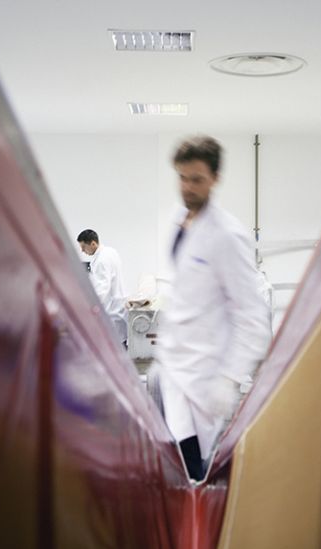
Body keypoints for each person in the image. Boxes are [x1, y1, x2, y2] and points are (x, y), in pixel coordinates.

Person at [154, 136, 271, 481]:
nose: (187, 187)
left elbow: (253, 317)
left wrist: (229, 379)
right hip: (173, 365)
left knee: (194, 471)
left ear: (215, 179)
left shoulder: (228, 236)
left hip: (204, 376)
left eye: (197, 180)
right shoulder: (179, 220)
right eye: (182, 178)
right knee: (174, 465)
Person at [77, 229, 128, 345]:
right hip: (119, 304)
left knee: (114, 344)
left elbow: (102, 289)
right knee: (121, 342)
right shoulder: (111, 252)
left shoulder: (100, 261)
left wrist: (90, 308)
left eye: (83, 247)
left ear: (93, 244)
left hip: (112, 310)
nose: (82, 251)